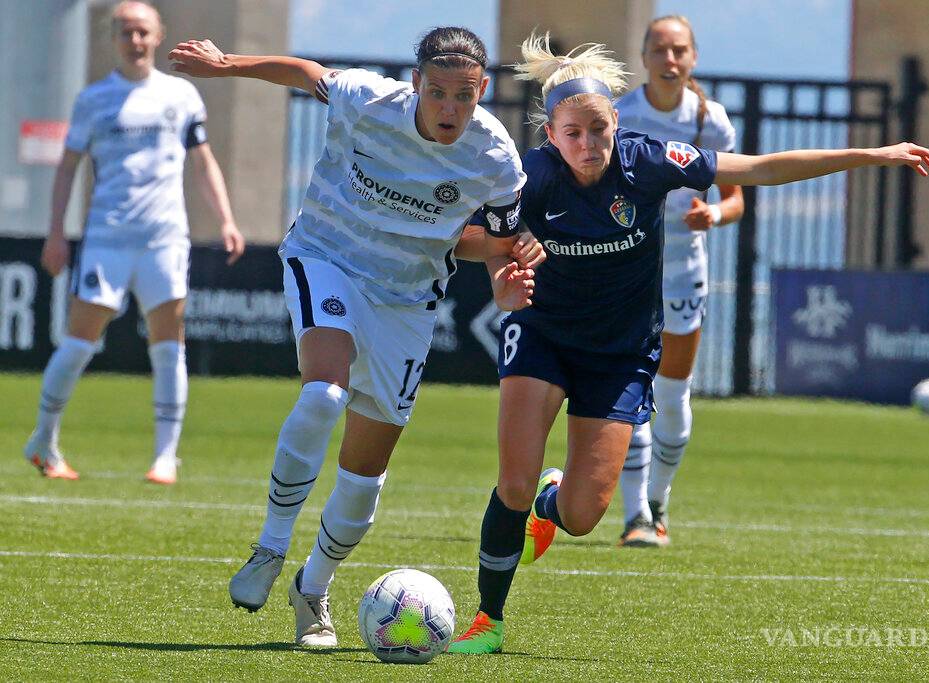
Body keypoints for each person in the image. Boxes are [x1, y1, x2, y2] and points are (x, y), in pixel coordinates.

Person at [448, 33, 929, 655]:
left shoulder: (648, 161)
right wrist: (504, 269)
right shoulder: (531, 176)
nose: (588, 144)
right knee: (511, 484)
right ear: (551, 134)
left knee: (581, 516)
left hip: (619, 353)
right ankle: (487, 622)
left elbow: (759, 169)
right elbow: (467, 236)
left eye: (599, 129)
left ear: (616, 122)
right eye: (573, 133)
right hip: (542, 334)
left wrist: (872, 154)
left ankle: (553, 501)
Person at [168, 26, 542, 648]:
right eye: (438, 92)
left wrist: (507, 278)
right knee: (323, 393)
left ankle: (311, 587)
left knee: (364, 477)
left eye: (465, 95)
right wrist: (226, 64)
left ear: (482, 90)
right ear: (416, 82)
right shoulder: (369, 98)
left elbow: (492, 245)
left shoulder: (497, 159)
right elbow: (303, 72)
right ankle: (270, 547)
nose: (450, 108)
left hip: (407, 300)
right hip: (327, 257)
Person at [23, 0, 244, 485]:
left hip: (165, 238)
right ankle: (43, 440)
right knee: (78, 342)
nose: (135, 40)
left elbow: (203, 161)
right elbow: (68, 167)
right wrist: (56, 232)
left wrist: (227, 219)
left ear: (159, 35)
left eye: (143, 31)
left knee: (168, 346)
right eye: (126, 31)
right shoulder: (93, 99)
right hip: (107, 238)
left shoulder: (181, 95)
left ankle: (166, 456)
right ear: (114, 39)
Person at [612, 14, 745, 547]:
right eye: (660, 49)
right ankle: (635, 516)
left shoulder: (710, 120)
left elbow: (735, 199)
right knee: (627, 386)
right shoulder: (620, 114)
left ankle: (659, 502)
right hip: (628, 266)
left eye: (679, 50)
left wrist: (713, 215)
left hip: (685, 267)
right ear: (644, 57)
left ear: (693, 58)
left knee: (671, 392)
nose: (670, 59)